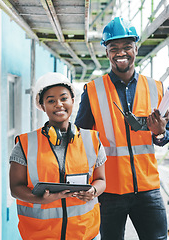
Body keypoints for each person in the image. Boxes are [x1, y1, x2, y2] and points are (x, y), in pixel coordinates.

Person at [75, 17, 169, 240]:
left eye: (127, 47)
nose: (121, 53)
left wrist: (158, 131)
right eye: (114, 48)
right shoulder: (93, 90)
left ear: (135, 48)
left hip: (148, 188)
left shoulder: (155, 88)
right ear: (107, 52)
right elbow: (81, 140)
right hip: (109, 191)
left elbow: (165, 137)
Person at [9, 72, 106, 240]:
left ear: (72, 101)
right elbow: (16, 188)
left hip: (84, 234)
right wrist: (39, 199)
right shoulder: (25, 144)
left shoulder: (92, 140)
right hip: (41, 235)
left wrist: (93, 190)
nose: (59, 105)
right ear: (42, 106)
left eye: (63, 98)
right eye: (51, 101)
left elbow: (101, 180)